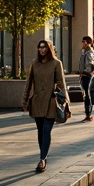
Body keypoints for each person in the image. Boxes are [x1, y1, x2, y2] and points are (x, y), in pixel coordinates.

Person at [22, 38, 67, 174]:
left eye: (44, 47)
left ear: (49, 49)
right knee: (41, 132)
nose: (42, 49)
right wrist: (25, 101)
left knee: (46, 130)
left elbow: (61, 83)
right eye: (40, 47)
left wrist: (65, 101)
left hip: (51, 102)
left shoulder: (56, 64)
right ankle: (44, 156)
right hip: (37, 102)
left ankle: (42, 159)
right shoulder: (34, 64)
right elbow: (28, 83)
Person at [78, 35, 94, 121]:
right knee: (86, 95)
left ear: (88, 43)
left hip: (87, 76)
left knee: (87, 95)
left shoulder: (89, 53)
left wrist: (85, 73)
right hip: (85, 76)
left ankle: (88, 114)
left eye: (83, 42)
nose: (82, 43)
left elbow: (90, 65)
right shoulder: (85, 52)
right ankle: (88, 113)